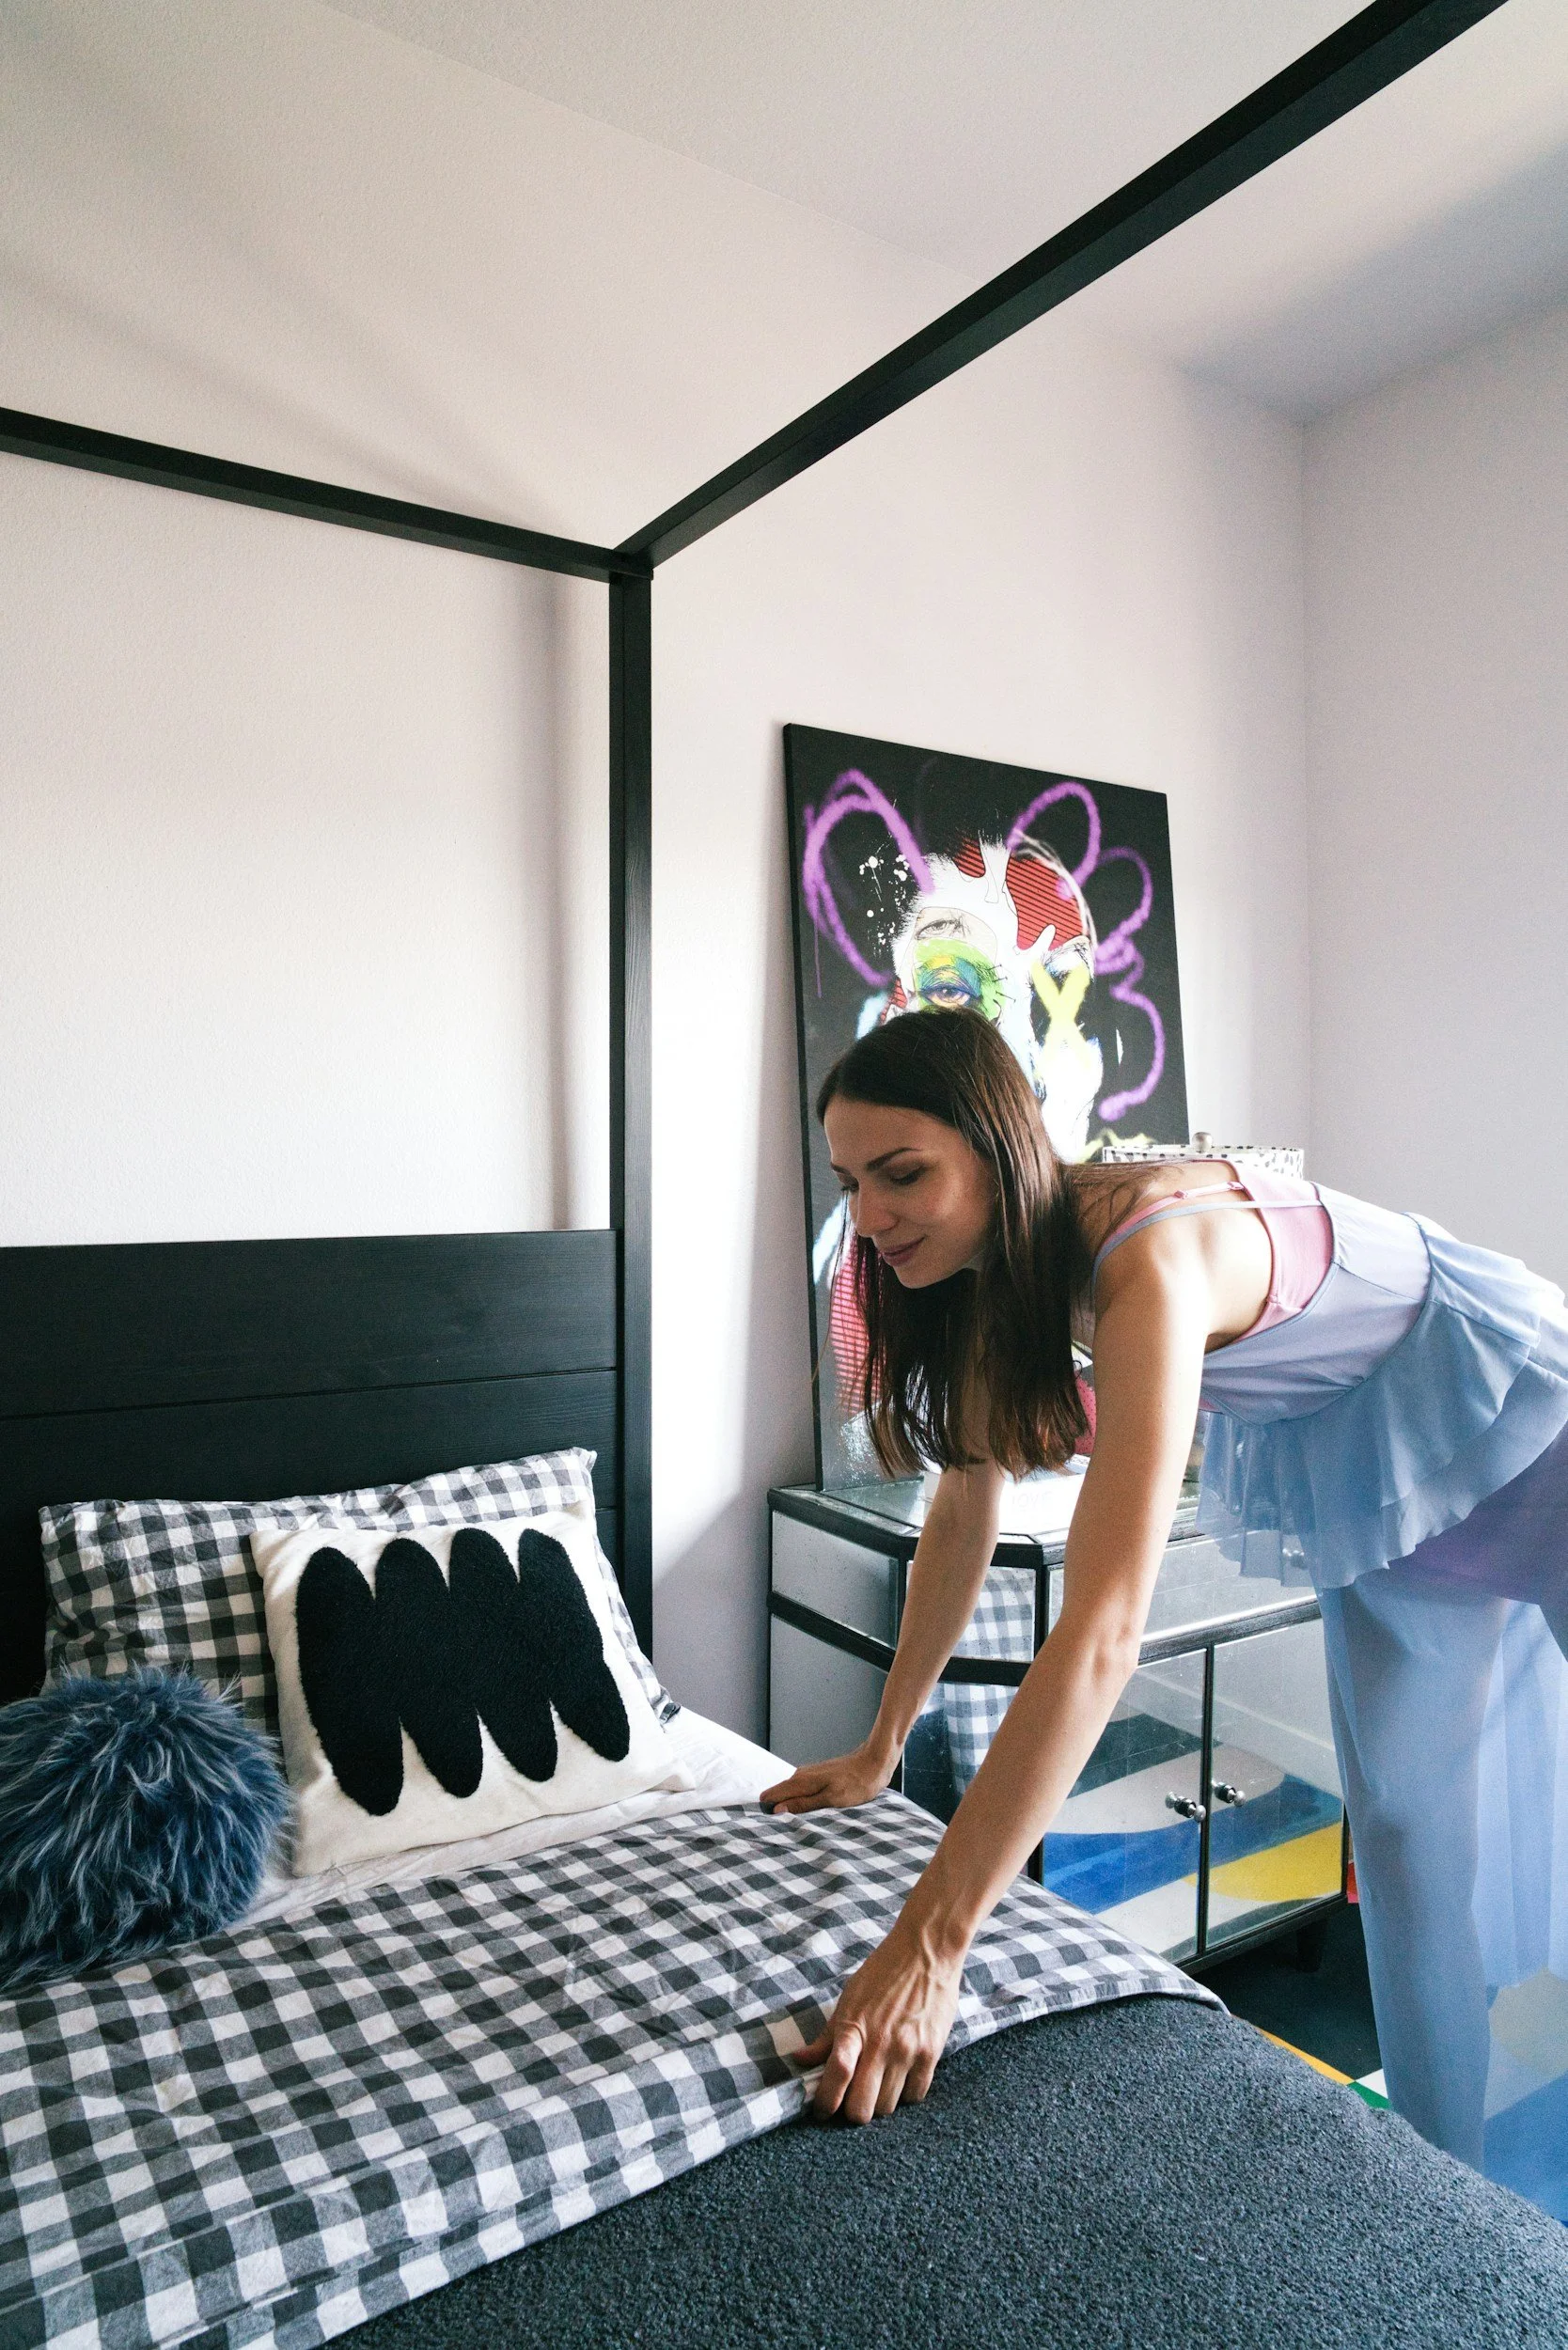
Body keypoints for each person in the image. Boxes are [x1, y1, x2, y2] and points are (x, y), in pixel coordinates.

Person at [761, 1007, 1568, 2182]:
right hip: (1387, 1491)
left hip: (1525, 1425)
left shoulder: (1149, 1251)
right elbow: (961, 1515)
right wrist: (883, 1745)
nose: (870, 1215)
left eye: (903, 1173)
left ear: (1000, 1146)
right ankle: (1453, 2184)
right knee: (1405, 1834)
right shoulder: (996, 1283)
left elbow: (1103, 1634)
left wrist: (933, 1943)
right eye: (851, 1182)